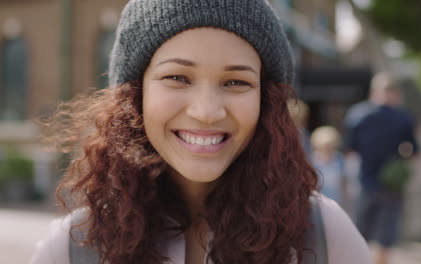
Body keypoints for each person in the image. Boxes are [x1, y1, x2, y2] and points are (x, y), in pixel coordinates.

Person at [31, 1, 371, 263]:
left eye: (236, 82)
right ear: (135, 95)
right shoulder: (74, 248)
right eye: (177, 77)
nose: (207, 112)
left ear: (266, 102)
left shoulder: (323, 235)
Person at [344, 72, 418, 264]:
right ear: (395, 93)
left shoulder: (357, 114)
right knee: (386, 235)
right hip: (391, 185)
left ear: (373, 91)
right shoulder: (403, 118)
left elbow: (350, 150)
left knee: (359, 234)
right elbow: (413, 151)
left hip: (364, 181)